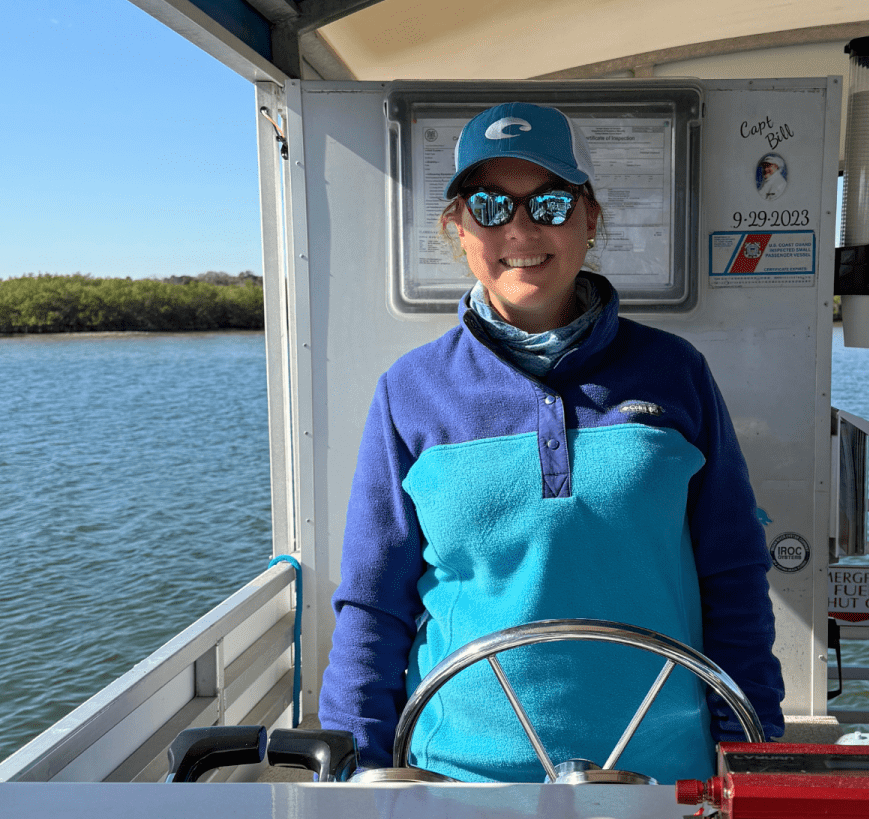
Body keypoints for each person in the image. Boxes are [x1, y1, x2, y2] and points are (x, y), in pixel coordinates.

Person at [318, 100, 785, 781]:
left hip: (661, 779)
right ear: (458, 227)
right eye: (489, 205)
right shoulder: (409, 391)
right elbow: (372, 605)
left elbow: (733, 577)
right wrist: (351, 768)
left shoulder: (677, 373)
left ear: (591, 218)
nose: (521, 228)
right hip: (457, 782)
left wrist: (750, 753)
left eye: (551, 204)